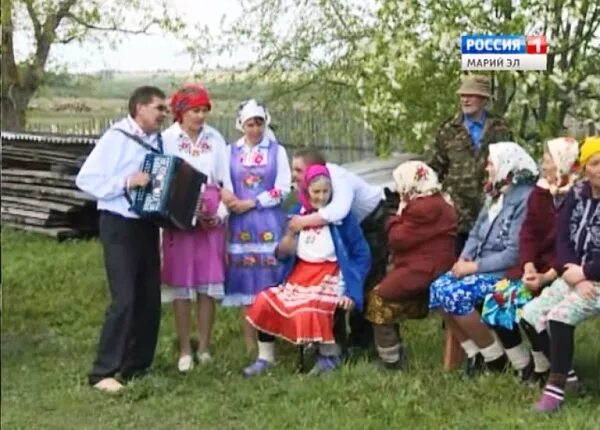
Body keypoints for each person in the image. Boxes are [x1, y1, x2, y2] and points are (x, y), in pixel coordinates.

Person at [76, 86, 168, 392]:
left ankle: (136, 366)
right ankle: (103, 371)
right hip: (117, 224)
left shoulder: (157, 142)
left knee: (148, 298)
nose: (163, 114)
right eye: (158, 108)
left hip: (146, 224)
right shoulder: (115, 138)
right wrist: (125, 182)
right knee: (124, 297)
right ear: (140, 108)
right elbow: (85, 180)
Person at [244, 165, 371, 376]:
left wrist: (351, 291)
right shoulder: (296, 214)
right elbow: (282, 254)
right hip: (300, 274)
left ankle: (328, 357)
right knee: (264, 300)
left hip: (329, 273)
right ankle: (265, 358)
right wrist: (289, 236)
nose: (321, 197)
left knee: (312, 307)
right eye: (316, 192)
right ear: (306, 191)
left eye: (326, 192)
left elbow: (361, 253)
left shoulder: (341, 218)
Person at [428, 142, 537, 376]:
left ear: (508, 165)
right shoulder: (495, 193)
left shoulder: (525, 199)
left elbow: (513, 253)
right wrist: (463, 258)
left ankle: (494, 358)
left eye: (491, 163)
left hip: (506, 272)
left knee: (454, 294)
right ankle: (475, 352)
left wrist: (473, 267)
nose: (487, 167)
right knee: (438, 289)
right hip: (479, 267)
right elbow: (476, 232)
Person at [481, 137, 579, 384]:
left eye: (548, 160)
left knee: (526, 304)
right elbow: (528, 233)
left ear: (562, 164)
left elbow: (572, 244)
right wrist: (528, 265)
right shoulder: (541, 191)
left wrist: (547, 275)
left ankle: (545, 366)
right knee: (497, 300)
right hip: (535, 265)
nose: (543, 165)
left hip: (564, 268)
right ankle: (523, 364)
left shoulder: (578, 195)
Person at [521, 137, 600, 413]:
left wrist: (587, 272)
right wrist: (570, 269)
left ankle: (554, 393)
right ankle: (569, 377)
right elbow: (563, 240)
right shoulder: (577, 194)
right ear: (585, 168)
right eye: (595, 163)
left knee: (558, 317)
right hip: (574, 275)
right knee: (531, 315)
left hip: (595, 279)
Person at [161, 84, 232, 372]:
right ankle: (184, 349)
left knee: (207, 283)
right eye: (195, 110)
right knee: (182, 283)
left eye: (204, 110)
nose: (201, 116)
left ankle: (203, 346)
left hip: (210, 212)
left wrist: (221, 212)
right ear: (180, 112)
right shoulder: (167, 139)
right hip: (178, 212)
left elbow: (225, 182)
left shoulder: (215, 138)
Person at [288, 148, 386, 353]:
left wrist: (302, 222)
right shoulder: (311, 187)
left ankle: (361, 342)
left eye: (298, 170)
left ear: (313, 169)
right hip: (348, 228)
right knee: (334, 278)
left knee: (363, 280)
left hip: (372, 221)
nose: (294, 175)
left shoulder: (338, 180)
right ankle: (332, 339)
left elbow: (337, 212)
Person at [366, 161, 457, 369]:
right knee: (385, 284)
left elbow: (398, 238)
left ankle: (391, 359)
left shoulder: (423, 207)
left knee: (377, 297)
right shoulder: (437, 201)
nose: (399, 189)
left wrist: (393, 218)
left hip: (425, 270)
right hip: (431, 266)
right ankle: (393, 352)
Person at [222, 99, 291, 351]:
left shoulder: (276, 151)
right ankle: (251, 343)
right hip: (240, 225)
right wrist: (229, 199)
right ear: (241, 124)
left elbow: (282, 188)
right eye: (250, 124)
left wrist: (252, 202)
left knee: (271, 280)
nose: (255, 129)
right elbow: (224, 182)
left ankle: (275, 337)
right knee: (246, 280)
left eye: (259, 123)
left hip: (268, 220)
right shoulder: (230, 151)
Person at [426, 74, 514, 254]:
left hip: (492, 215)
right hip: (457, 219)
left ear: (484, 99)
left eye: (471, 95)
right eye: (462, 95)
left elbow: (512, 167)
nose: (465, 99)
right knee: (458, 268)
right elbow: (434, 171)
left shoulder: (500, 128)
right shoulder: (448, 130)